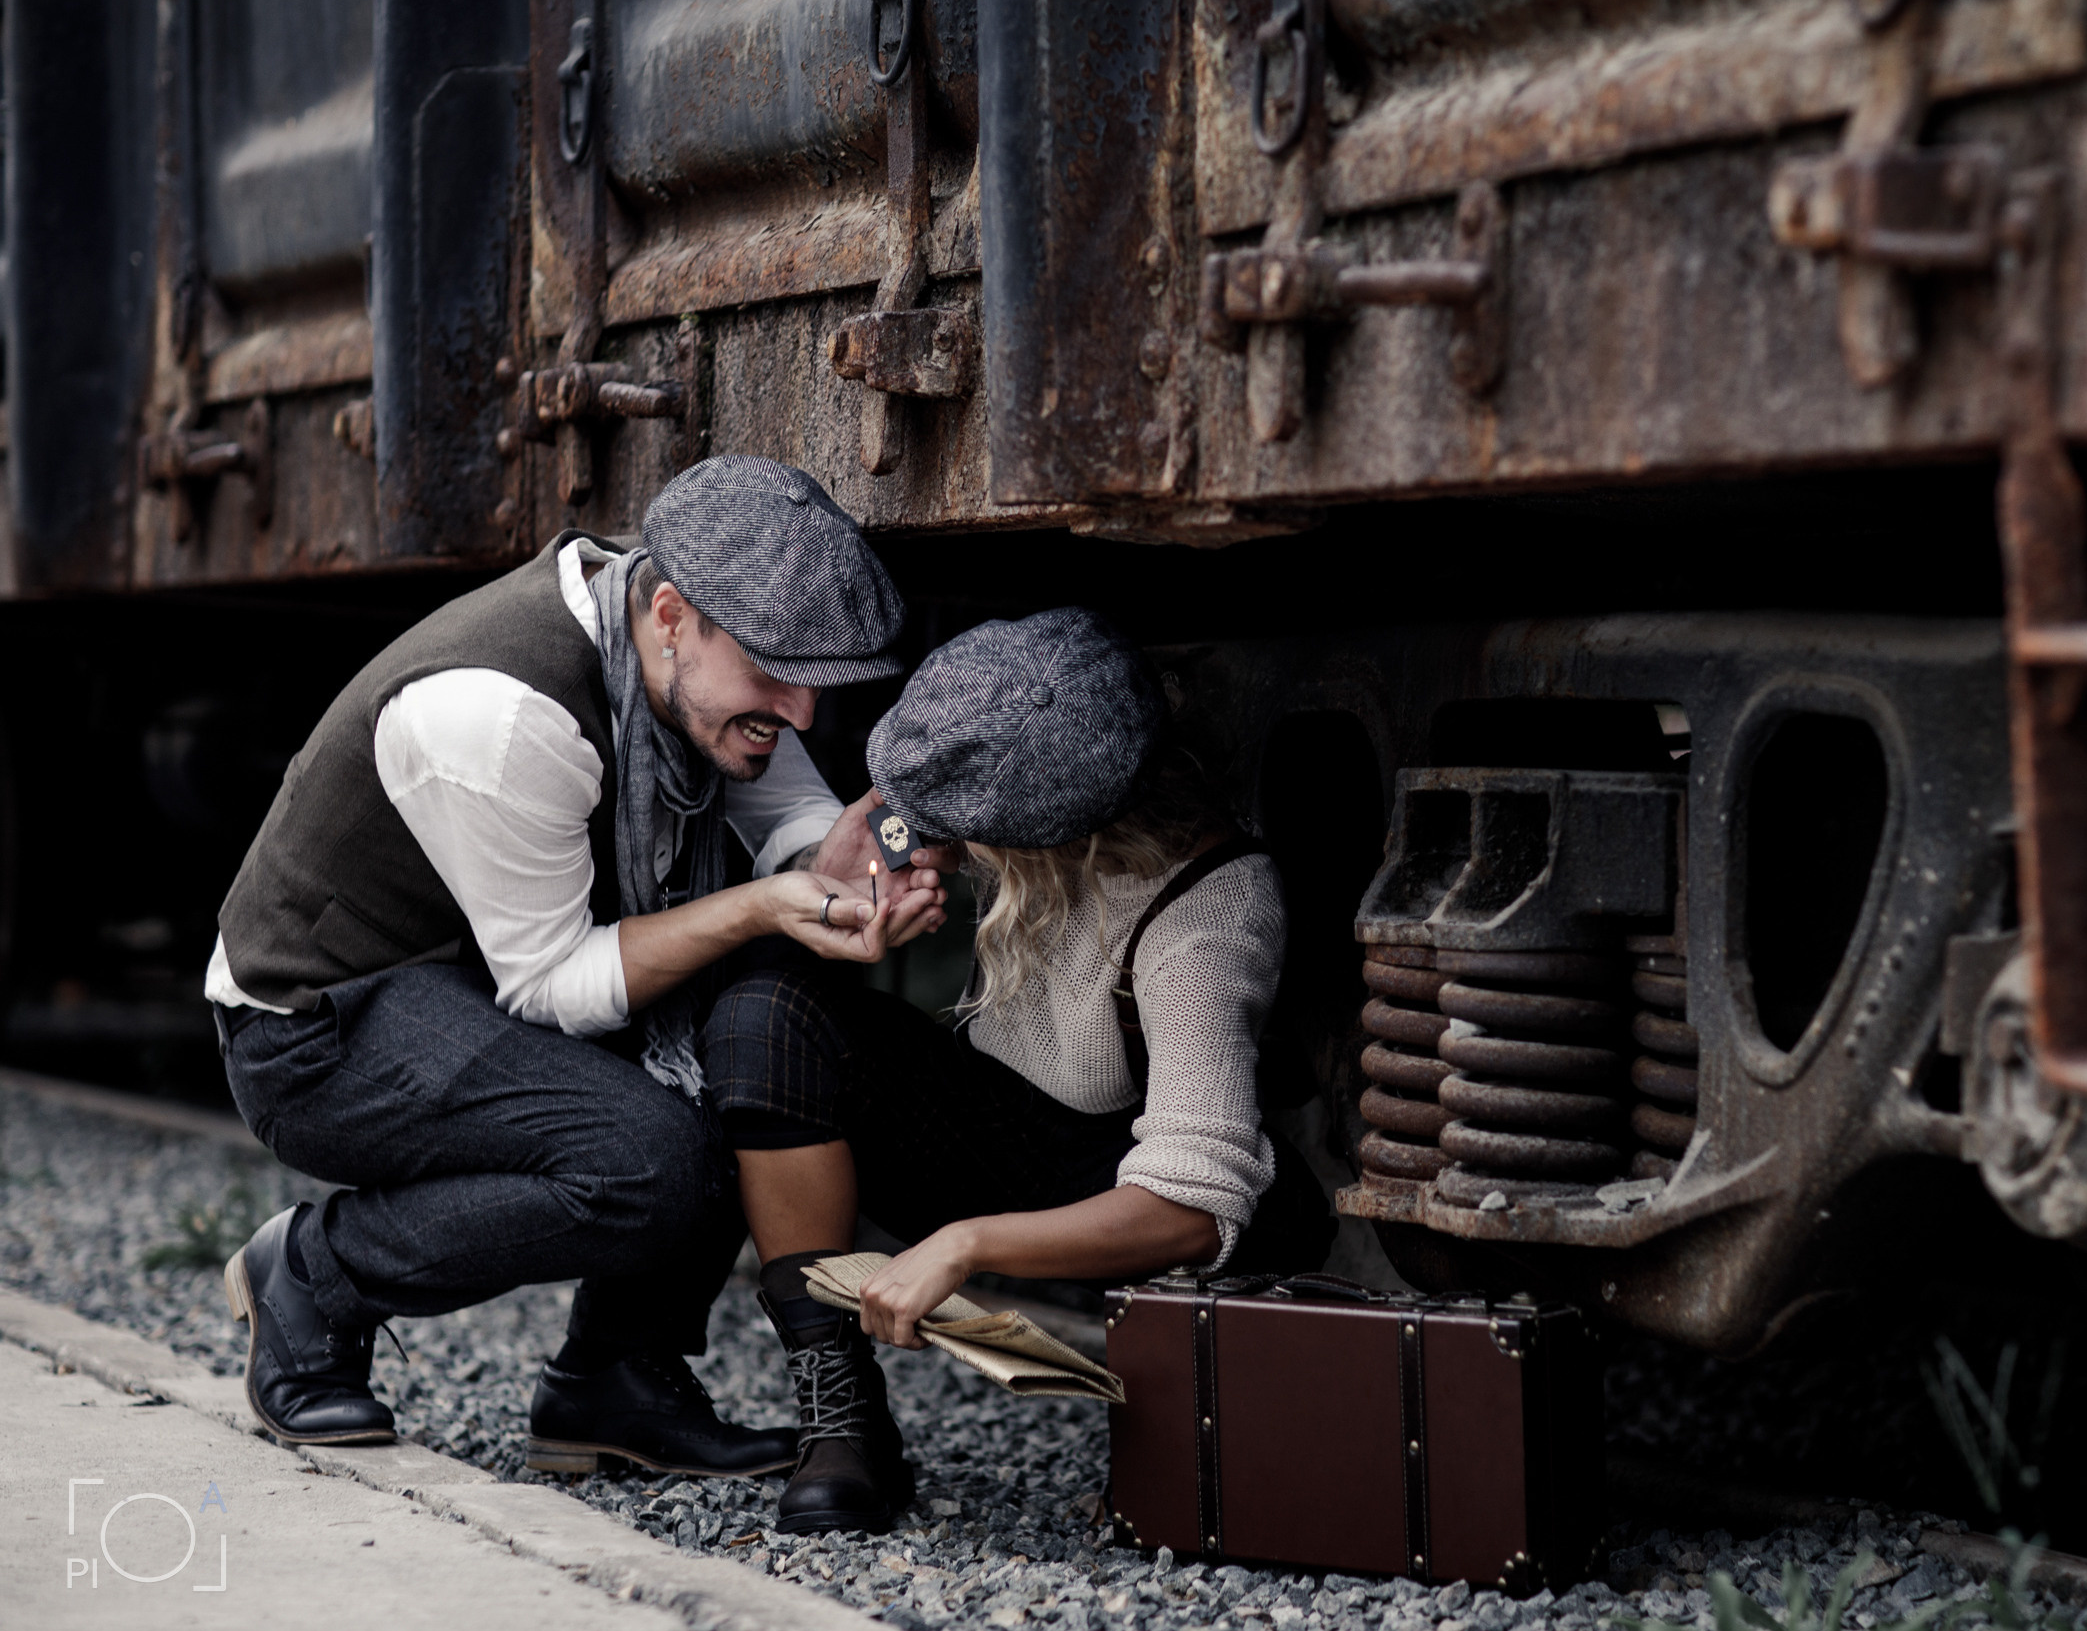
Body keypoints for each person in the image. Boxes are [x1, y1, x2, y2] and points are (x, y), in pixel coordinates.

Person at [206, 455, 949, 1478]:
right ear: (674, 614)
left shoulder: (672, 657)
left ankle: (615, 1379)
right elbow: (553, 985)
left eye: (815, 682)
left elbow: (785, 819)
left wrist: (840, 873)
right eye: (776, 674)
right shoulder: (505, 714)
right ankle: (315, 1275)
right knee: (650, 1159)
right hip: (319, 1022)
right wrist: (761, 904)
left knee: (751, 1041)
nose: (802, 712)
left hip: (463, 979)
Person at [731, 606, 1335, 1538]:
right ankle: (840, 1416)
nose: (935, 840)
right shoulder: (1027, 828)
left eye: (965, 832)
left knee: (1253, 1208)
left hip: (1126, 1188)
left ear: (1044, 834)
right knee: (768, 1006)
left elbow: (1195, 1201)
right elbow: (889, 834)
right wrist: (841, 870)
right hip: (1003, 1126)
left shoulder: (1207, 909)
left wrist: (967, 1244)